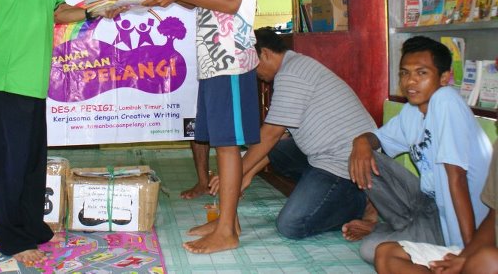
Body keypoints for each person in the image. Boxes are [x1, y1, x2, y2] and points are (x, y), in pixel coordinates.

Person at [0, 0, 160, 266]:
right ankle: (12, 240)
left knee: (31, 162)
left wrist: (98, 11)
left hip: (28, 79)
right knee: (9, 165)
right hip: (6, 78)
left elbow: (60, 13)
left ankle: (30, 226)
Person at [144, 0, 260, 254]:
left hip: (230, 59)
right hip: (213, 61)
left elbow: (230, 2)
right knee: (220, 144)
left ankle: (226, 230)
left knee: (227, 147)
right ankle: (228, 222)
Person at [211, 27, 378, 240]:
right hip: (324, 156)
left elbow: (271, 133)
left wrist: (233, 175)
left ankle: (360, 201)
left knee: (290, 225)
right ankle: (319, 190)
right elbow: (279, 138)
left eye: (250, 66)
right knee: (280, 149)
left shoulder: (291, 74)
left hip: (345, 165)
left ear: (265, 54)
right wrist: (248, 173)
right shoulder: (295, 66)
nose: (254, 75)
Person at [344, 36, 492, 265]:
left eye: (421, 73)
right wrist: (360, 142)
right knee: (365, 156)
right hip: (430, 207)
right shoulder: (411, 112)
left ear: (444, 77)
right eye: (404, 73)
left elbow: (457, 179)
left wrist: (468, 255)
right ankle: (387, 226)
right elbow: (376, 141)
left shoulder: (446, 101)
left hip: (468, 223)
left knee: (371, 250)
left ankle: (433, 243)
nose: (410, 81)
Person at [374, 139, 498, 274]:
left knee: (488, 261)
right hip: (484, 257)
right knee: (387, 254)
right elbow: (493, 218)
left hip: (490, 260)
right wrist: (464, 258)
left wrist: (473, 261)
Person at [171, 0, 219, 200]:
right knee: (195, 120)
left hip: (220, 55)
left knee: (223, 123)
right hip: (190, 59)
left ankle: (230, 180)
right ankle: (203, 180)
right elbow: (174, 10)